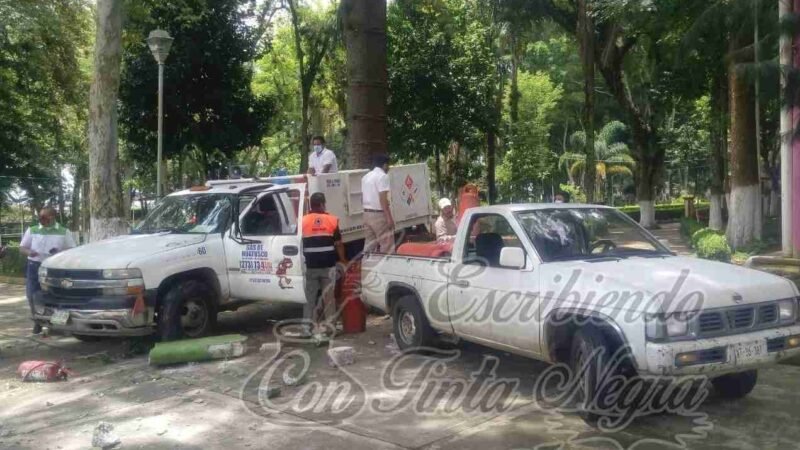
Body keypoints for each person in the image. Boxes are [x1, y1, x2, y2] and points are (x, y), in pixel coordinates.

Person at [19, 207, 76, 334]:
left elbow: (72, 249)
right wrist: (29, 252)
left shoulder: (64, 231)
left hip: (55, 267)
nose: (41, 219)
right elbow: (22, 248)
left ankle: (57, 323)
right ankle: (37, 321)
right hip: (34, 265)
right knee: (32, 294)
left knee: (57, 294)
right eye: (40, 216)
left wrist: (59, 252)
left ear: (52, 217)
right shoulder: (32, 230)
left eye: (44, 217)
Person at [302, 193, 347, 335]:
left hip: (311, 266)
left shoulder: (303, 221)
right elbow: (338, 244)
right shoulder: (331, 220)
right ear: (322, 204)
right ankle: (330, 328)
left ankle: (307, 329)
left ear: (311, 205)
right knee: (329, 299)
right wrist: (343, 260)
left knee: (310, 298)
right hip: (328, 265)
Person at [361, 155, 395, 253]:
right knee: (387, 246)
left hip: (366, 214)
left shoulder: (365, 177)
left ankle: (366, 262)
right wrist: (389, 218)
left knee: (369, 245)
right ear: (384, 165)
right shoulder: (383, 176)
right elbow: (383, 199)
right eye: (388, 165)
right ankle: (387, 263)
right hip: (379, 215)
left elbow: (362, 198)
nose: (388, 168)